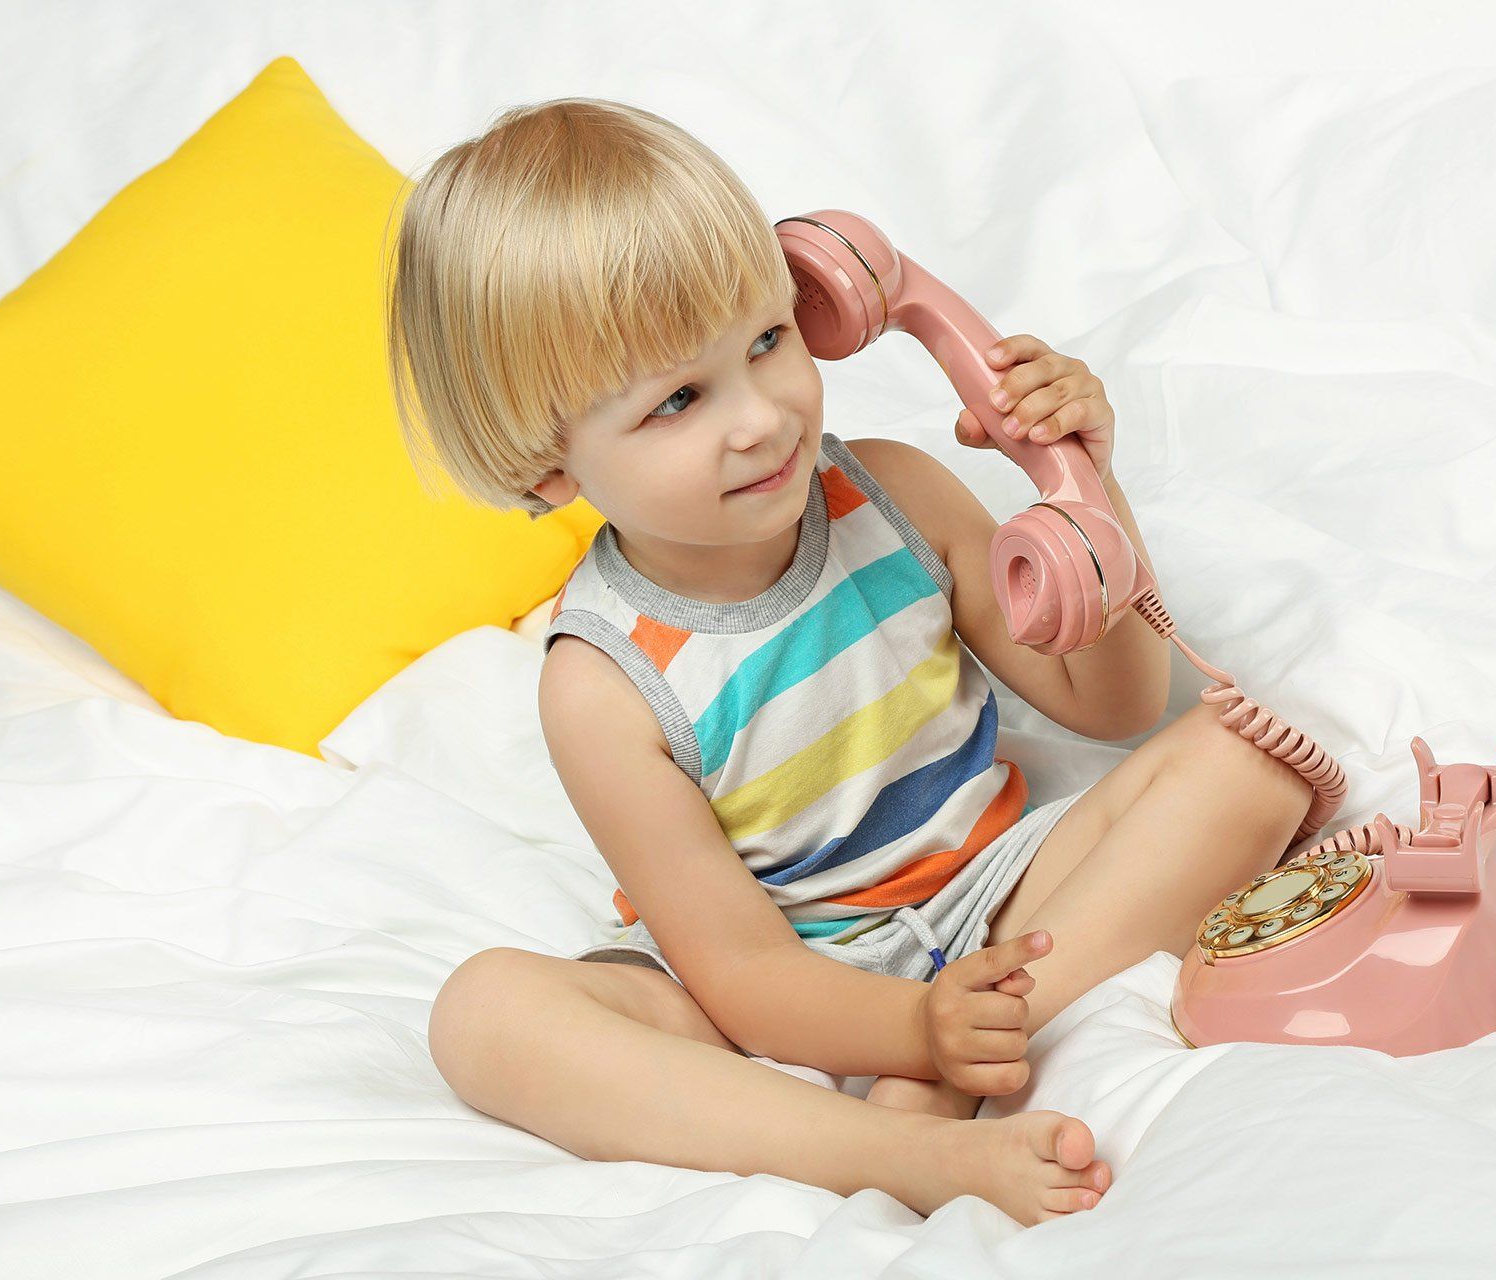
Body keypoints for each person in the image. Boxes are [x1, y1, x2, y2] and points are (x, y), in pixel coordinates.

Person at [383, 98, 1311, 1227]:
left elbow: (1110, 702)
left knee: (1247, 761)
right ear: (545, 465)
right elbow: (739, 969)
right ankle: (893, 1143)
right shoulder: (602, 682)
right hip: (767, 980)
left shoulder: (891, 493)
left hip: (994, 897)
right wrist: (907, 1028)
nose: (762, 419)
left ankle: (968, 1064)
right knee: (485, 1015)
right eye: (679, 399)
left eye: (767, 340)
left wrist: (1079, 491)